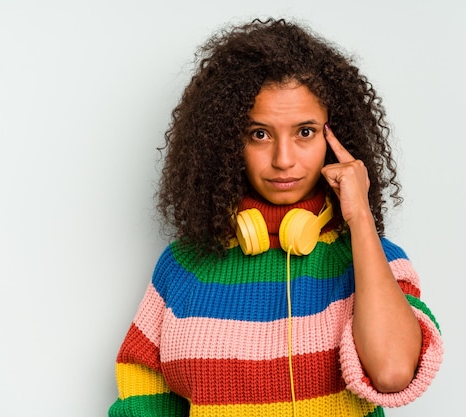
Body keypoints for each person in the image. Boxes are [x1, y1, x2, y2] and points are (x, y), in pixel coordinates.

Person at [109, 18, 443, 417]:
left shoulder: (372, 261)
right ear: (228, 141)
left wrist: (360, 221)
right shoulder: (184, 267)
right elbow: (144, 394)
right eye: (260, 134)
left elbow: (391, 374)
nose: (284, 160)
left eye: (304, 132)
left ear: (335, 141)